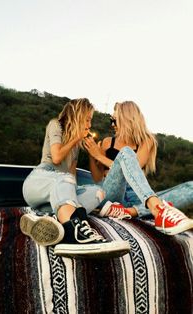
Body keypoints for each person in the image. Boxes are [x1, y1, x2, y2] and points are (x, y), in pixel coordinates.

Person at [20, 98, 130, 258]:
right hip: (39, 182)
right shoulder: (55, 125)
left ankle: (50, 220)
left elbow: (72, 178)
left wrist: (92, 153)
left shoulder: (76, 147)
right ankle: (74, 232)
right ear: (78, 116)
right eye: (87, 120)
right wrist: (76, 138)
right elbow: (57, 158)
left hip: (57, 193)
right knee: (65, 179)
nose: (89, 125)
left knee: (98, 192)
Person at [83, 101, 193, 235]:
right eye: (111, 120)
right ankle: (157, 210)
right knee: (127, 152)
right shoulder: (107, 142)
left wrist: (99, 157)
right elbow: (97, 177)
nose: (112, 124)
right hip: (111, 193)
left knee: (191, 187)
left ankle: (130, 211)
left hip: (137, 196)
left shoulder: (146, 141)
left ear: (127, 119)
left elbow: (134, 167)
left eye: (115, 120)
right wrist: (93, 155)